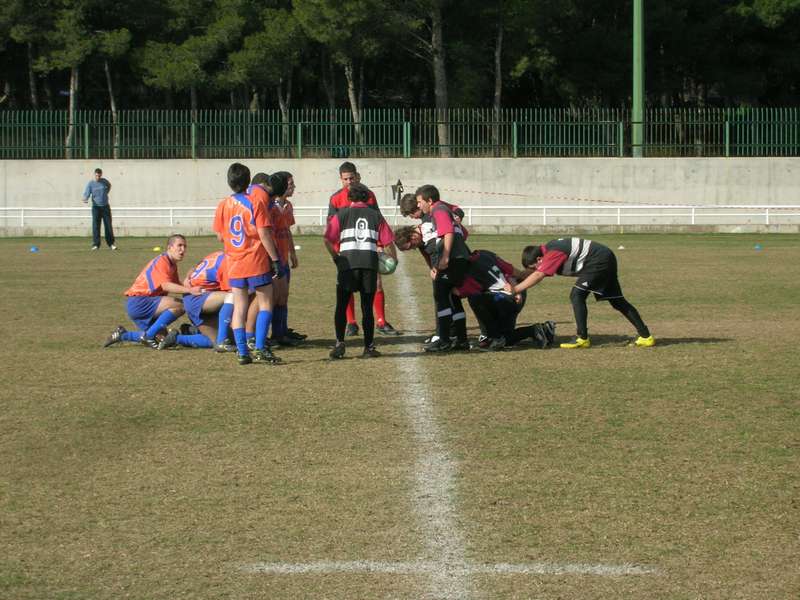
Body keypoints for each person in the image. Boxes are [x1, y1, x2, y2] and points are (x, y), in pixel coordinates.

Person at [508, 237, 655, 348]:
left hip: (598, 261)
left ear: (539, 259)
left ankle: (582, 338)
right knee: (617, 301)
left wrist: (515, 290)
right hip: (605, 257)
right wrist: (516, 279)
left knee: (576, 295)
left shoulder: (553, 253)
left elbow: (538, 275)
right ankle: (646, 337)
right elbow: (534, 274)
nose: (535, 270)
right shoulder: (549, 249)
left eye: (534, 267)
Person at [213, 162, 283, 365]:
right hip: (255, 260)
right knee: (266, 302)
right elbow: (263, 232)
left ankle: (242, 351)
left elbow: (219, 235)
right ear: (248, 180)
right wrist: (276, 259)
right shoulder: (254, 201)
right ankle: (260, 348)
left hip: (233, 262)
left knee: (240, 307)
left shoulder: (223, 204)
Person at [324, 182, 397, 359]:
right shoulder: (376, 216)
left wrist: (336, 258)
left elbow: (327, 239)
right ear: (367, 198)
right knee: (367, 307)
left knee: (341, 306)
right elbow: (388, 242)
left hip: (347, 265)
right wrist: (393, 261)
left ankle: (339, 344)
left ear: (350, 198)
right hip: (369, 266)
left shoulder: (341, 214)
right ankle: (369, 348)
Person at [103, 234, 201, 348]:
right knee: (181, 306)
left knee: (162, 340)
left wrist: (189, 280)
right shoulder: (162, 261)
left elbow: (178, 285)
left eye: (185, 246)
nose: (182, 249)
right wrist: (190, 290)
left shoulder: (171, 264)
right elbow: (166, 286)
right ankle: (148, 336)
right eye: (179, 245)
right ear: (169, 247)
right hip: (140, 302)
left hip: (141, 304)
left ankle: (123, 335)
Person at [453, 249, 556, 351]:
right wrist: (516, 288)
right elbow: (512, 272)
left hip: (504, 301)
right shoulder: (485, 254)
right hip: (514, 295)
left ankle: (490, 336)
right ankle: (540, 330)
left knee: (475, 298)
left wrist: (442, 280)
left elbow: (459, 292)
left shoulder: (468, 270)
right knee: (506, 338)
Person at [415, 184, 472, 352]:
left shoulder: (438, 210)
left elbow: (448, 232)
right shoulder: (444, 209)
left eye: (419, 202)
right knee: (453, 298)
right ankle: (461, 339)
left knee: (441, 297)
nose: (418, 205)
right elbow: (463, 232)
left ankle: (445, 340)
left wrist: (445, 257)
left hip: (453, 259)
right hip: (461, 258)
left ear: (429, 200)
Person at [157, 250, 236, 351]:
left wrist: (189, 276)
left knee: (218, 339)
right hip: (198, 299)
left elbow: (197, 266)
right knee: (233, 295)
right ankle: (221, 341)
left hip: (198, 299)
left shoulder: (218, 253)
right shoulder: (227, 262)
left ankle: (180, 336)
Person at [267, 171, 304, 346]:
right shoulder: (269, 206)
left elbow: (287, 231)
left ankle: (281, 332)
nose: (293, 187)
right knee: (274, 297)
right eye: (290, 184)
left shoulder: (288, 206)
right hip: (272, 259)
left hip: (283, 257)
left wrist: (292, 253)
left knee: (284, 296)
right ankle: (273, 335)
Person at [82, 167, 116, 250]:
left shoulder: (104, 181)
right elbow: (87, 193)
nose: (98, 177)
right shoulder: (91, 183)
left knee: (108, 225)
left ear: (101, 175)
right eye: (97, 176)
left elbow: (109, 186)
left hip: (105, 207)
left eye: (99, 176)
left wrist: (105, 194)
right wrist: (85, 198)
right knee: (96, 226)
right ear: (94, 174)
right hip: (96, 207)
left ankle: (111, 244)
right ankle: (96, 244)